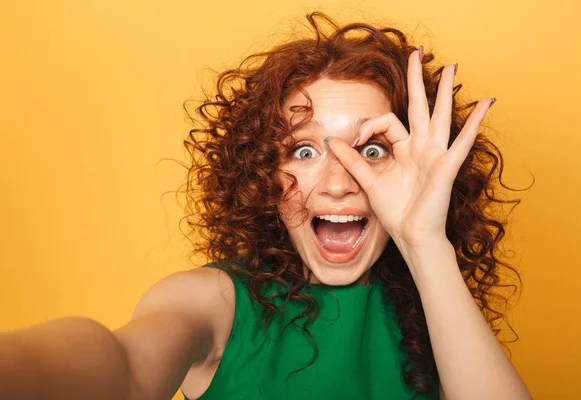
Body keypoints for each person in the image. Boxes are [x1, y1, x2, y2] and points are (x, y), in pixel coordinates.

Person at [0, 11, 533, 400]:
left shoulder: (428, 312)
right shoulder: (211, 303)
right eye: (304, 149)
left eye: (372, 150)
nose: (338, 183)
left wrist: (425, 243)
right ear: (263, 173)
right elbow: (121, 368)